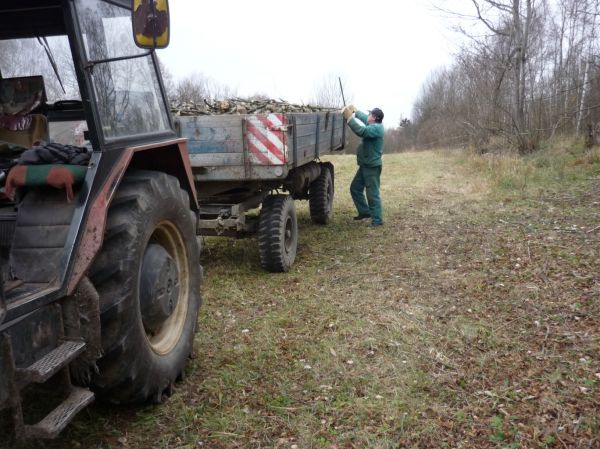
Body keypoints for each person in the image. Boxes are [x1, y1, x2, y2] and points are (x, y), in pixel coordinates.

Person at [342, 105, 385, 227]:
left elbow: (362, 131)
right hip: (365, 165)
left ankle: (377, 220)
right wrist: (356, 111)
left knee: (372, 193)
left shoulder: (376, 128)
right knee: (355, 188)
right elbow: (366, 119)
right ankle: (365, 212)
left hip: (371, 167)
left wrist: (350, 119)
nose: (369, 116)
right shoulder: (373, 124)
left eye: (371, 114)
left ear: (375, 117)